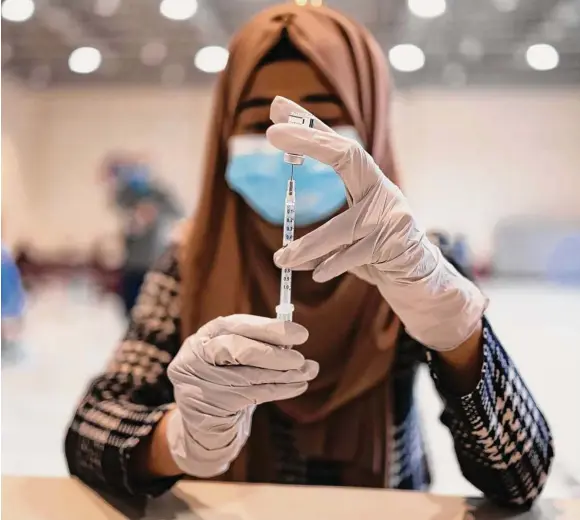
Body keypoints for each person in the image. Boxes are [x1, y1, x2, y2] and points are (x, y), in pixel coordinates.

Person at [65, 4, 553, 507]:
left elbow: (521, 479)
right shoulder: (192, 260)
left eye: (323, 118)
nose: (293, 148)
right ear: (224, 132)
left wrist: (459, 336)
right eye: (261, 121)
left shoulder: (420, 262)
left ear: (370, 122)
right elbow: (89, 430)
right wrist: (179, 439)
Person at [104, 154, 182, 315]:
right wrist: (135, 216)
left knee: (152, 310)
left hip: (153, 262)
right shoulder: (127, 194)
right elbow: (117, 206)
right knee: (130, 310)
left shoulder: (159, 194)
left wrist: (154, 211)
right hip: (131, 265)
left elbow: (177, 211)